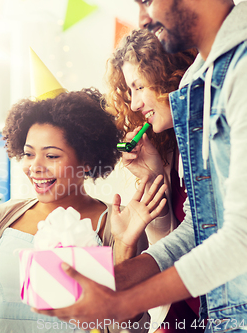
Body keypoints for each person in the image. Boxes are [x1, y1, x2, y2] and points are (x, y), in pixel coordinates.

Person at [35, 1, 247, 332]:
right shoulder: (200, 83)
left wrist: (123, 297)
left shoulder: (237, 72)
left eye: (52, 154)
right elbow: (199, 231)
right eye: (29, 153)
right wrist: (115, 278)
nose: (144, 18)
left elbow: (238, 238)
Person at [0, 86, 167, 333]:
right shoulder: (1, 218)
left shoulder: (118, 223)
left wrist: (124, 247)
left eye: (51, 156)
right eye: (29, 154)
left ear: (86, 161)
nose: (35, 167)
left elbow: (129, 326)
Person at [104, 29, 200, 333]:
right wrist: (155, 176)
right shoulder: (169, 147)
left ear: (172, 76)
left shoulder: (213, 136)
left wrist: (128, 273)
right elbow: (174, 240)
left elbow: (201, 234)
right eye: (128, 91)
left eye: (139, 86)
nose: (133, 105)